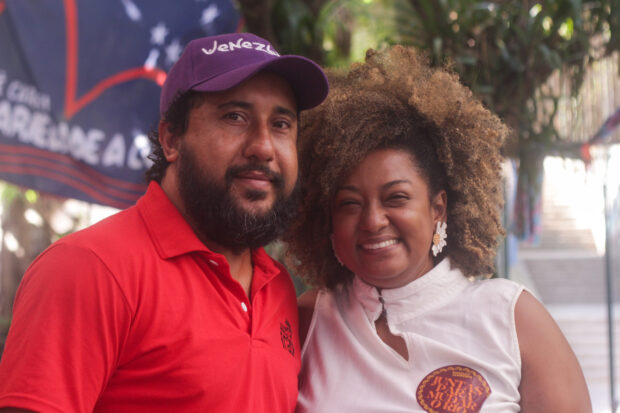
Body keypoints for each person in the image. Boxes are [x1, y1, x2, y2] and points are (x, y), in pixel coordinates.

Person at [0, 32, 328, 413]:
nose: (264, 146)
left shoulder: (279, 290)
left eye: (282, 124)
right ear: (171, 139)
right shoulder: (90, 268)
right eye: (235, 117)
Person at [285, 45, 592, 412]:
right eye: (350, 204)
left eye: (396, 198)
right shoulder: (308, 320)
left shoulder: (510, 317)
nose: (372, 220)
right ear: (328, 221)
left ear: (438, 209)